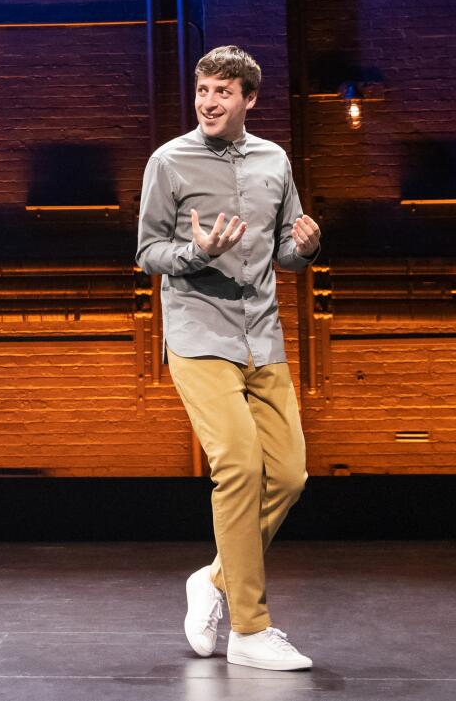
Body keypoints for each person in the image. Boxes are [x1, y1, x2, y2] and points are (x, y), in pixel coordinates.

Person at [136, 45, 322, 671]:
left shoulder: (275, 161)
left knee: (290, 475)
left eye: (222, 92)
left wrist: (307, 248)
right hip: (199, 337)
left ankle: (214, 578)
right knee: (239, 466)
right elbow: (148, 251)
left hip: (262, 337)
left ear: (249, 99)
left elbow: (287, 252)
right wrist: (197, 254)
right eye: (202, 91)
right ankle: (249, 628)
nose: (209, 102)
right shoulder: (169, 161)